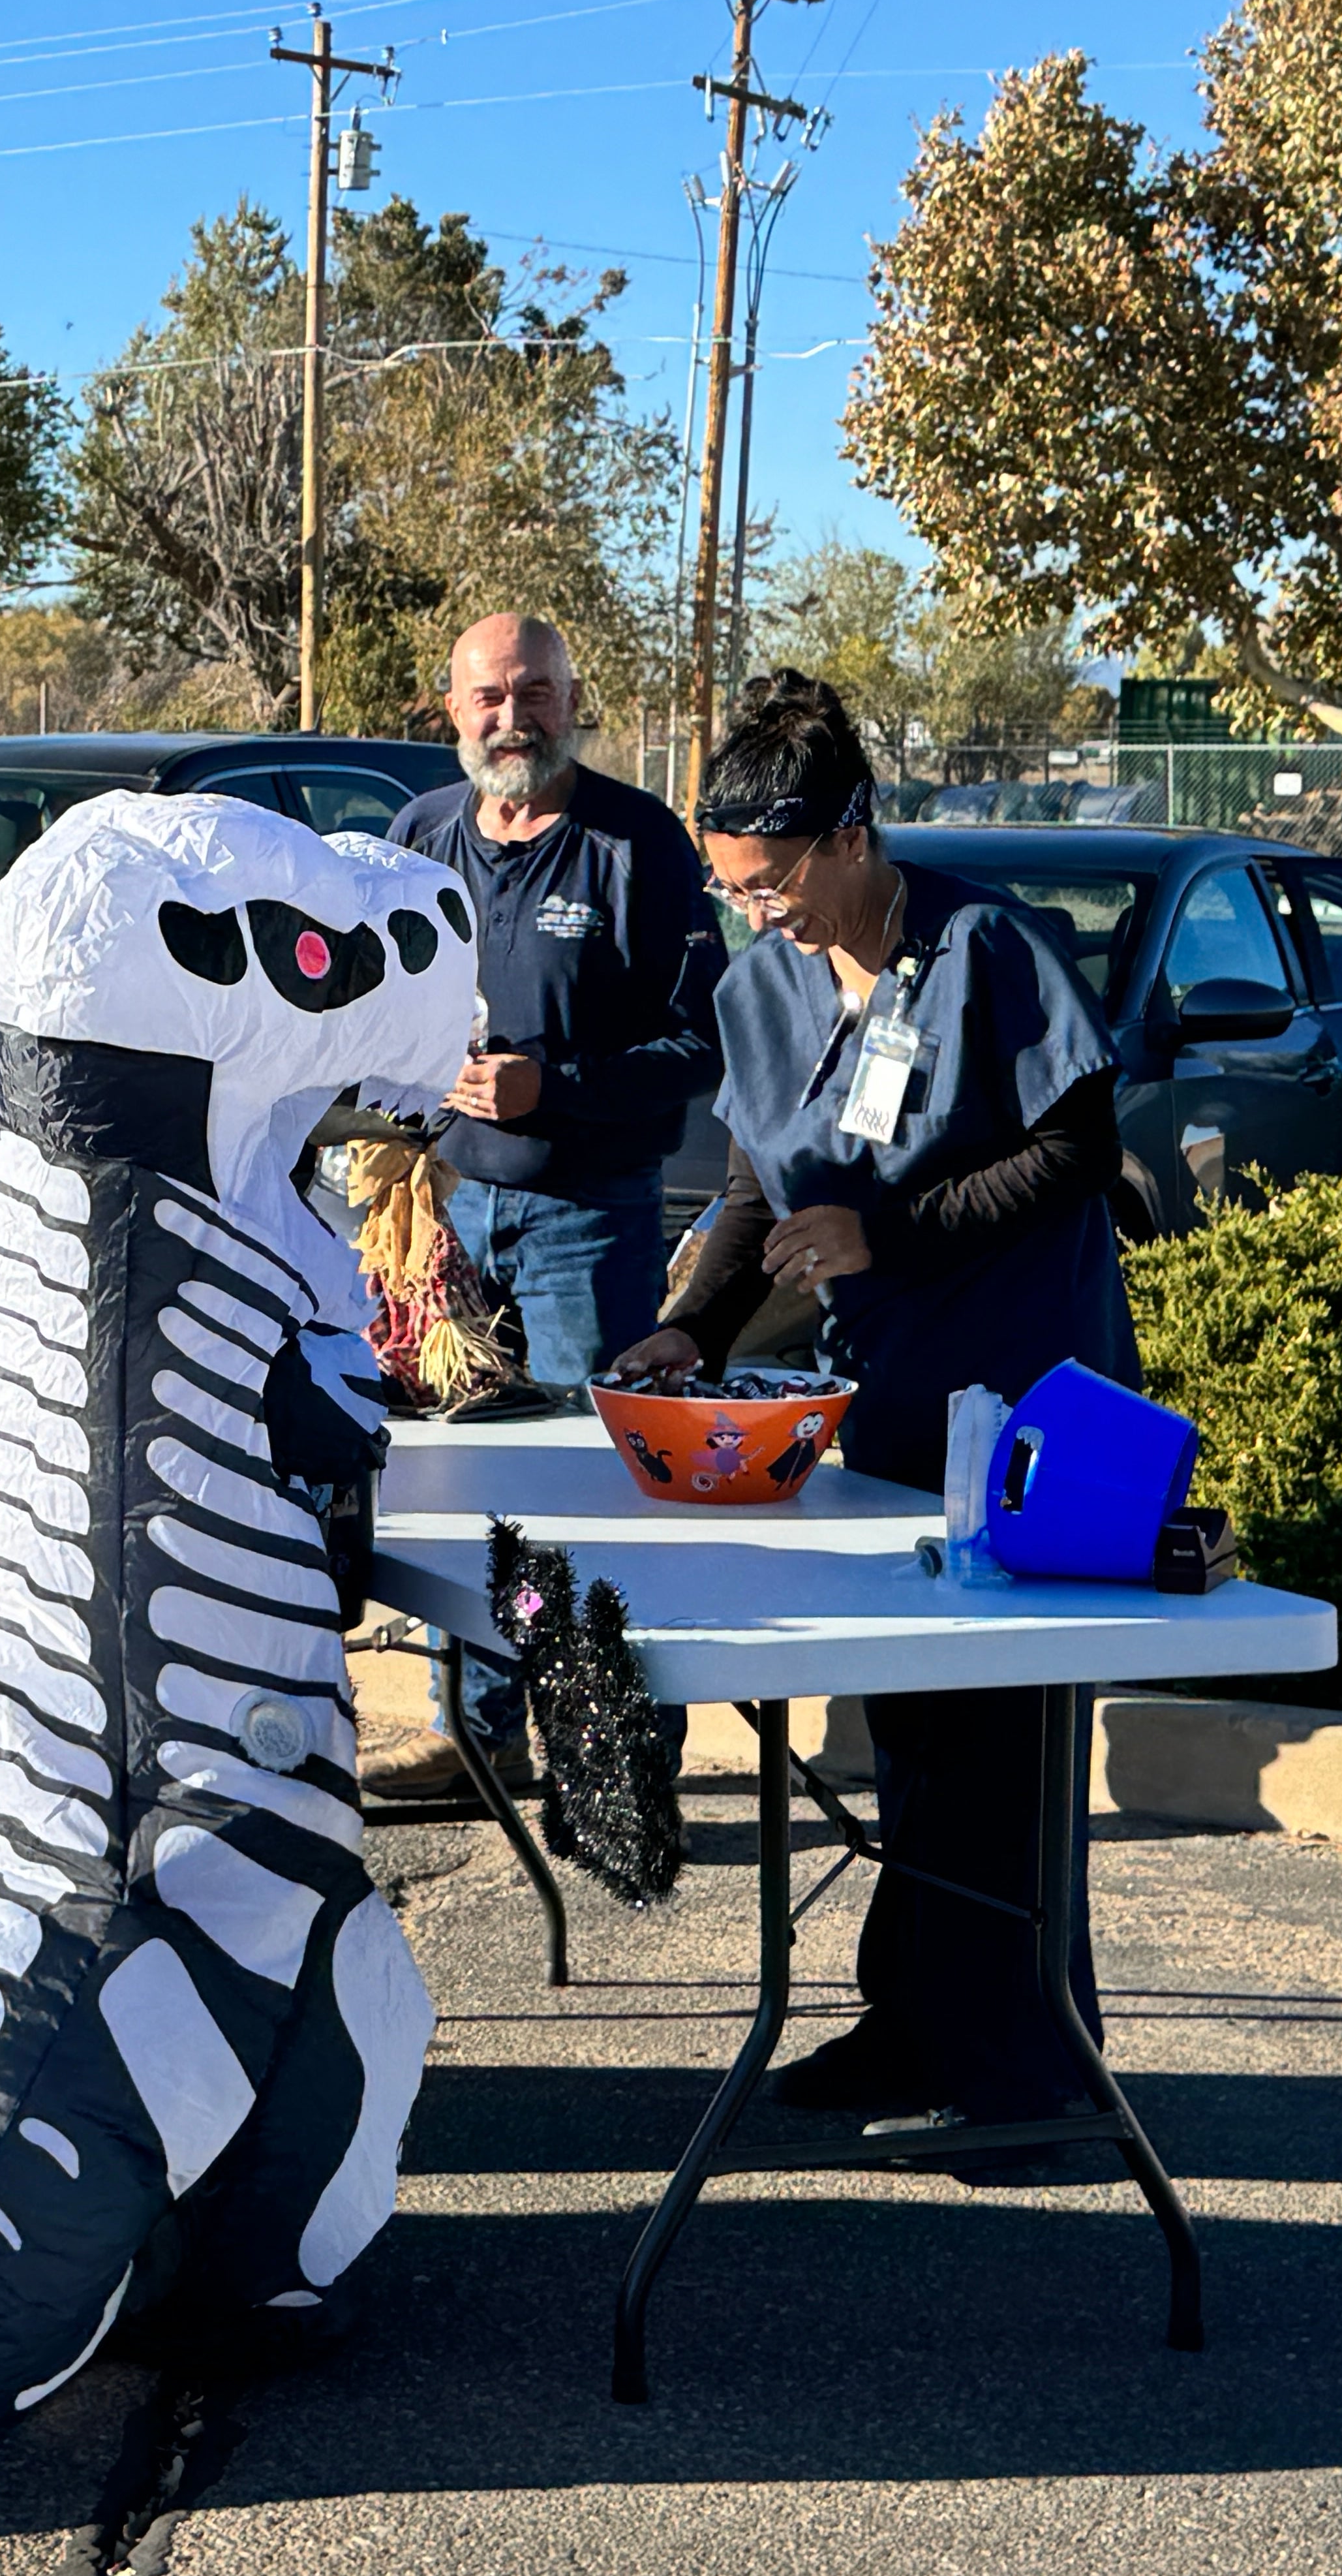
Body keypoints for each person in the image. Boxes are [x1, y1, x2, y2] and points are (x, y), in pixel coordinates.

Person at [607, 670, 1128, 2173]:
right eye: (730, 889)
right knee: (907, 1729)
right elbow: (767, 1182)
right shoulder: (764, 983)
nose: (752, 912)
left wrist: (886, 1235)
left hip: (1027, 1402)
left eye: (769, 883)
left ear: (851, 836)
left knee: (1004, 1745)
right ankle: (912, 2017)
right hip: (883, 1404)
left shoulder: (989, 950)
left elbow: (1080, 1153)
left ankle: (1033, 2061)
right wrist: (693, 1324)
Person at [369, 612, 725, 1800]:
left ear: (574, 699)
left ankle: (612, 1753)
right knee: (461, 1485)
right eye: (488, 696)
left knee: (584, 1485)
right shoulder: (418, 838)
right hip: (447, 1214)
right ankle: (476, 1734)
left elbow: (697, 1043)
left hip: (588, 1220)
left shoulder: (638, 845)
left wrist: (553, 1086)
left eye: (536, 692)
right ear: (451, 707)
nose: (511, 717)